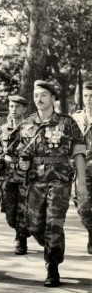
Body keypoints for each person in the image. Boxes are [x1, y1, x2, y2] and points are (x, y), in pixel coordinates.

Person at [12, 80, 86, 287]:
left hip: (60, 180)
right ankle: (52, 247)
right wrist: (22, 163)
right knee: (34, 225)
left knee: (54, 224)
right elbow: (18, 152)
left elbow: (79, 152)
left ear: (53, 98)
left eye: (43, 95)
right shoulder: (27, 123)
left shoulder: (67, 122)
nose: (39, 99)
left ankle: (52, 267)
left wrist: (81, 184)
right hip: (34, 181)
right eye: (36, 95)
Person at [0, 95, 30, 255]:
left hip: (25, 176)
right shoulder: (3, 129)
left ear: (24, 109)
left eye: (17, 106)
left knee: (23, 209)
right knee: (9, 212)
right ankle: (20, 229)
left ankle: (20, 239)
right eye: (11, 106)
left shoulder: (31, 129)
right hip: (7, 176)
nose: (14, 110)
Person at [70, 81, 92, 255]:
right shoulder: (75, 118)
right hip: (82, 170)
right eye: (86, 96)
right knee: (82, 207)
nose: (89, 99)